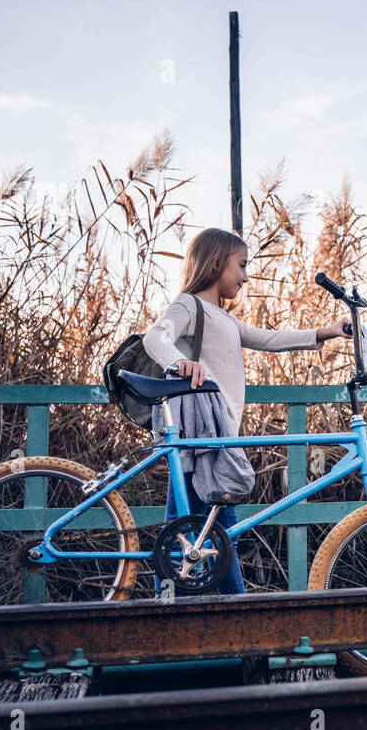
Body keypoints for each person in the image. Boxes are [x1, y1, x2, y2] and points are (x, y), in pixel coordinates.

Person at [142, 227, 349, 594]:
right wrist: (180, 364)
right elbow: (155, 337)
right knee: (201, 530)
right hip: (200, 435)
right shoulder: (189, 305)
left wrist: (325, 331)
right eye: (241, 265)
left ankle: (194, 611)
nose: (246, 275)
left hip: (217, 435)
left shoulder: (221, 317)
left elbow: (268, 339)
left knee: (204, 531)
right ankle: (196, 612)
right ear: (216, 262)